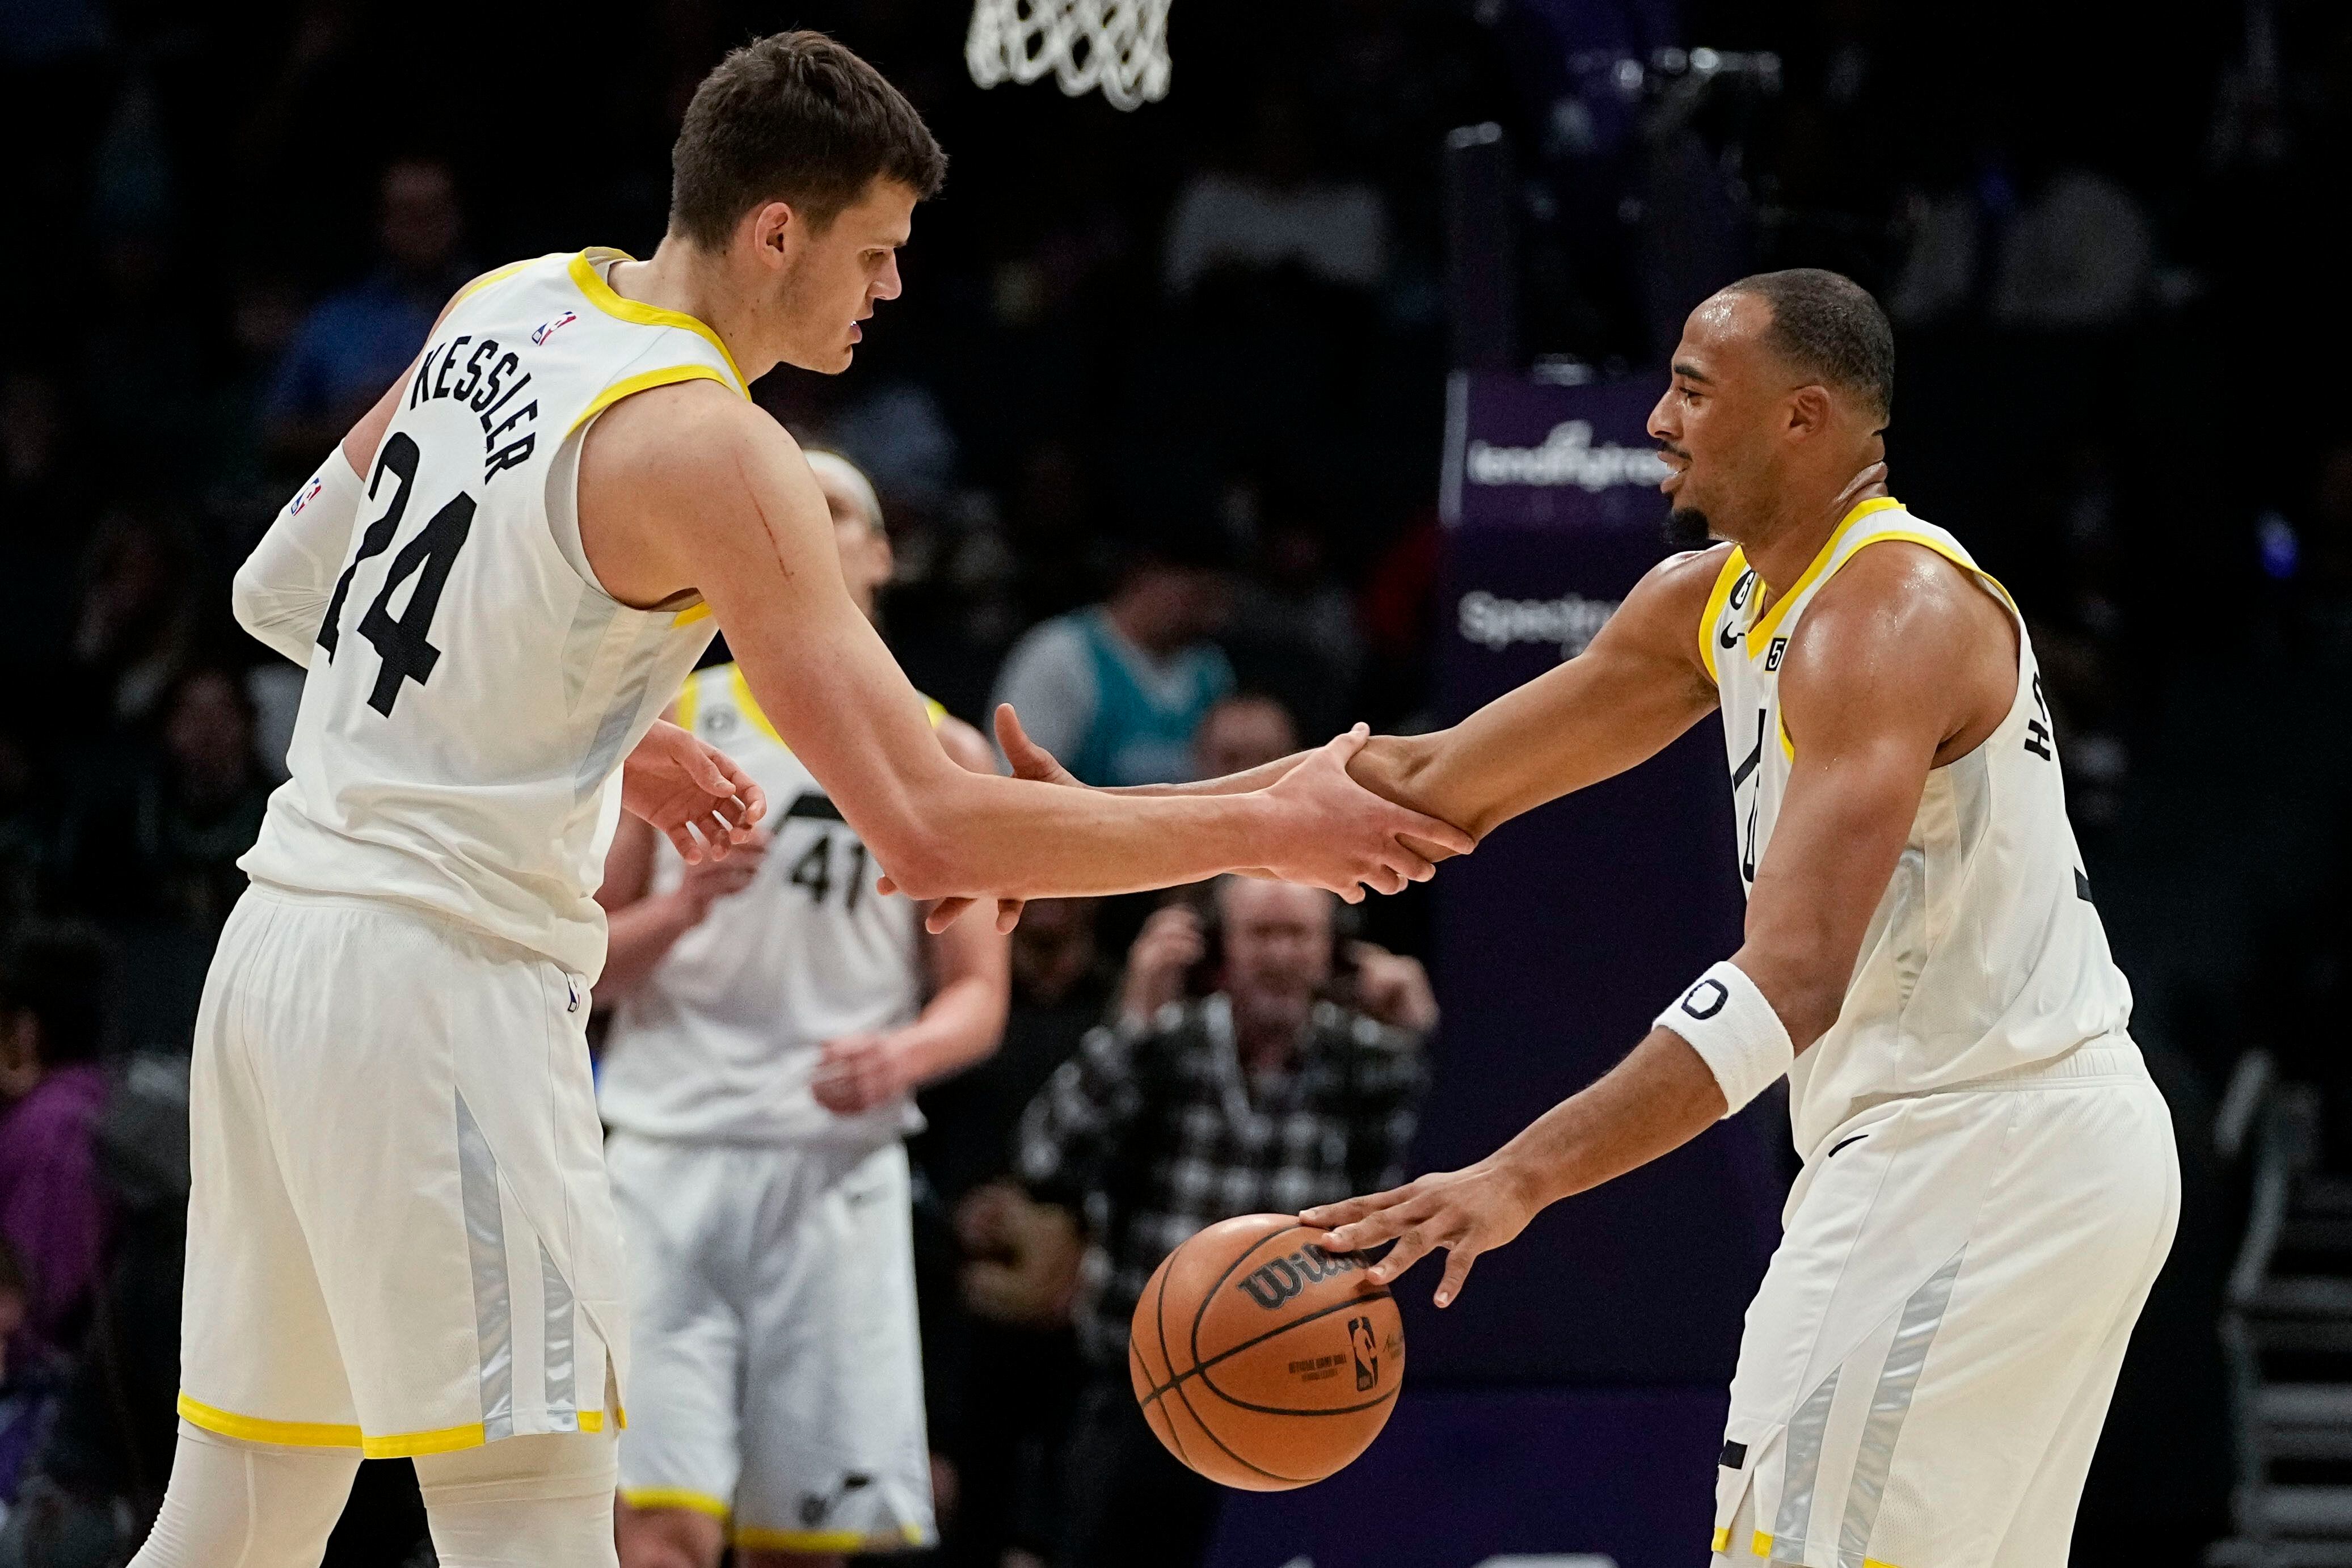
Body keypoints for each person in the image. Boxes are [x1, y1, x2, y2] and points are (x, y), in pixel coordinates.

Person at [159, 28, 1465, 1568]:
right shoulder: (720, 444)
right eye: (878, 248)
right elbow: (924, 826)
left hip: (275, 960)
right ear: (775, 229)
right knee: (534, 1529)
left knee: (234, 1525)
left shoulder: (503, 300)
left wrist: (586, 727)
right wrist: (1269, 818)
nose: (894, 289)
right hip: (440, 991)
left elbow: (287, 588)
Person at [1215, 269, 2168, 1567]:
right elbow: (1434, 781)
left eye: (1693, 388)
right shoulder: (1710, 602)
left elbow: (1789, 982)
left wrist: (1518, 1174)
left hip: (1978, 1145)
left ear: (1805, 419)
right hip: (1986, 1145)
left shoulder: (1886, 617)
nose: (1656, 417)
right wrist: (1096, 826)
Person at [595, 449, 1009, 1567]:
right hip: (665, 1156)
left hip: (834, 1168)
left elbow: (977, 991)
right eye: (784, 505)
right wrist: (682, 911)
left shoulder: (946, 748)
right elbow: (578, 963)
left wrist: (904, 1050)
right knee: (655, 1529)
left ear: (884, 554)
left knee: (803, 1543)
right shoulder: (670, 716)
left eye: (837, 507)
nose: (809, 523)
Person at [1013, 877, 1435, 1568]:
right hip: (1147, 1391)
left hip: (1300, 1387)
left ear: (1335, 950)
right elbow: (1043, 1156)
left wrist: (1412, 1035)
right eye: (1260, 933)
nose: (1279, 955)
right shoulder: (1162, 1044)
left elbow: (1387, 1207)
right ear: (1219, 948)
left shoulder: (1364, 1057)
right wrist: (1132, 1019)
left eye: (1297, 934)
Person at [986, 536, 1236, 787]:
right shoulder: (1061, 654)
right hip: (1082, 823)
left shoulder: (1210, 669)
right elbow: (1017, 781)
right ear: (1145, 576)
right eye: (1195, 591)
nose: (1207, 611)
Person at [0, 922, 115, 1357]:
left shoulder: (52, 1130)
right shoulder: (89, 1104)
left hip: (38, 1398)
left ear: (25, 1030)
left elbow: (36, 1292)